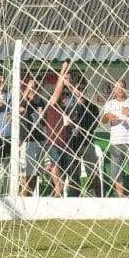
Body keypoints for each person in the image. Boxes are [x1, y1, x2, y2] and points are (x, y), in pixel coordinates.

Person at [58, 71, 103, 197]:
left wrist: (79, 125)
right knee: (73, 175)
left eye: (83, 88)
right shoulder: (68, 106)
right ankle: (73, 198)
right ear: (74, 90)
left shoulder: (93, 107)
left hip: (87, 143)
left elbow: (93, 126)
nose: (81, 91)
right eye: (78, 88)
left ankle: (99, 198)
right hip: (71, 144)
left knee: (94, 172)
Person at [101, 79, 129, 198]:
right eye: (117, 88)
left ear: (125, 88)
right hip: (116, 142)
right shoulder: (109, 104)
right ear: (114, 90)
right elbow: (103, 120)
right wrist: (107, 116)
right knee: (116, 172)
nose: (120, 90)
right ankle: (121, 197)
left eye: (122, 88)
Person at [42, 62, 74, 197]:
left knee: (65, 169)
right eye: (62, 95)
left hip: (65, 142)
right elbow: (57, 90)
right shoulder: (51, 105)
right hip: (53, 142)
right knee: (54, 165)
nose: (64, 96)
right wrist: (63, 70)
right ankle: (58, 190)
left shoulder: (66, 109)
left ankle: (62, 189)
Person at [19, 76, 49, 196]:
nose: (34, 89)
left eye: (36, 86)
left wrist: (43, 115)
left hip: (41, 138)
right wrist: (27, 90)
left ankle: (30, 195)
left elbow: (45, 119)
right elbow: (20, 105)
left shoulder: (42, 101)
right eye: (32, 86)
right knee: (28, 170)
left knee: (37, 170)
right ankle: (24, 194)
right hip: (28, 139)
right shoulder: (25, 101)